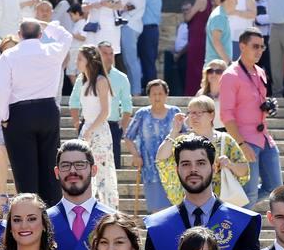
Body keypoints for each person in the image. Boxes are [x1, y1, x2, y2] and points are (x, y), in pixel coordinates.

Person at [143, 136, 261, 250]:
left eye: (200, 163)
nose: (193, 170)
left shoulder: (243, 222)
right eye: (186, 164)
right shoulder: (158, 226)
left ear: (213, 167)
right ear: (177, 169)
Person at [0, 15, 73, 205]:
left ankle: (30, 214)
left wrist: (2, 116)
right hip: (47, 110)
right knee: (49, 169)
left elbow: (1, 90)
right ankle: (52, 216)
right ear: (40, 34)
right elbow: (66, 36)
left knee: (24, 171)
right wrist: (46, 25)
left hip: (19, 114)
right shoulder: (52, 50)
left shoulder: (9, 55)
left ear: (19, 35)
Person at [219, 28, 282, 207]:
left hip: (265, 138)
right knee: (249, 192)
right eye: (255, 46)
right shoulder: (230, 75)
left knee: (275, 188)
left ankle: (236, 208)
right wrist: (241, 144)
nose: (259, 51)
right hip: (245, 139)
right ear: (242, 46)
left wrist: (267, 107)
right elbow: (226, 115)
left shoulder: (260, 72)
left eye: (262, 47)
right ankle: (240, 222)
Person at [155, 96, 251, 208]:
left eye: (199, 113)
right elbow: (161, 160)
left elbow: (245, 171)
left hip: (219, 204)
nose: (193, 117)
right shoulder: (183, 140)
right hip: (190, 204)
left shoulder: (226, 140)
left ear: (211, 115)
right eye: (191, 113)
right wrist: (174, 131)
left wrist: (230, 165)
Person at [124, 80, 180, 215]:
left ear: (166, 95)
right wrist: (136, 155)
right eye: (154, 94)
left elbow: (185, 133)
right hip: (151, 170)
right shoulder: (142, 114)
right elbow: (128, 137)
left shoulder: (174, 112)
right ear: (149, 96)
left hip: (173, 169)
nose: (157, 97)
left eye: (160, 93)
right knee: (156, 210)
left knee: (174, 209)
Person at [73, 47, 119, 208]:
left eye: (80, 59)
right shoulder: (83, 81)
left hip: (98, 130)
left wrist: (90, 130)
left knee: (102, 173)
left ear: (89, 61)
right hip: (87, 128)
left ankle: (108, 209)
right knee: (83, 171)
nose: (77, 62)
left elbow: (105, 111)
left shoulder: (101, 80)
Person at [183, 0, 211, 97]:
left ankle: (193, 92)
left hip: (197, 38)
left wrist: (186, 10)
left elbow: (188, 17)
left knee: (194, 65)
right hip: (201, 37)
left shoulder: (201, 1)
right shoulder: (209, 1)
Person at [206, 0, 238, 67]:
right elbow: (216, 42)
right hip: (216, 69)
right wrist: (229, 63)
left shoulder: (220, 14)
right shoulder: (219, 16)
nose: (237, 3)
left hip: (218, 67)